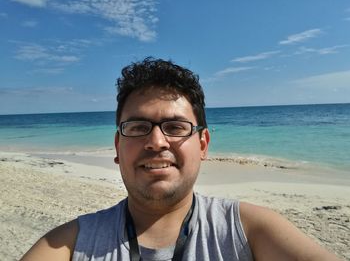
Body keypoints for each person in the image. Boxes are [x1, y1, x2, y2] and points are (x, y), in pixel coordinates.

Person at [21, 57, 340, 261]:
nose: (156, 142)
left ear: (203, 144)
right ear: (118, 147)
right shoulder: (68, 245)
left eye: (175, 127)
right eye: (138, 127)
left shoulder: (249, 231)